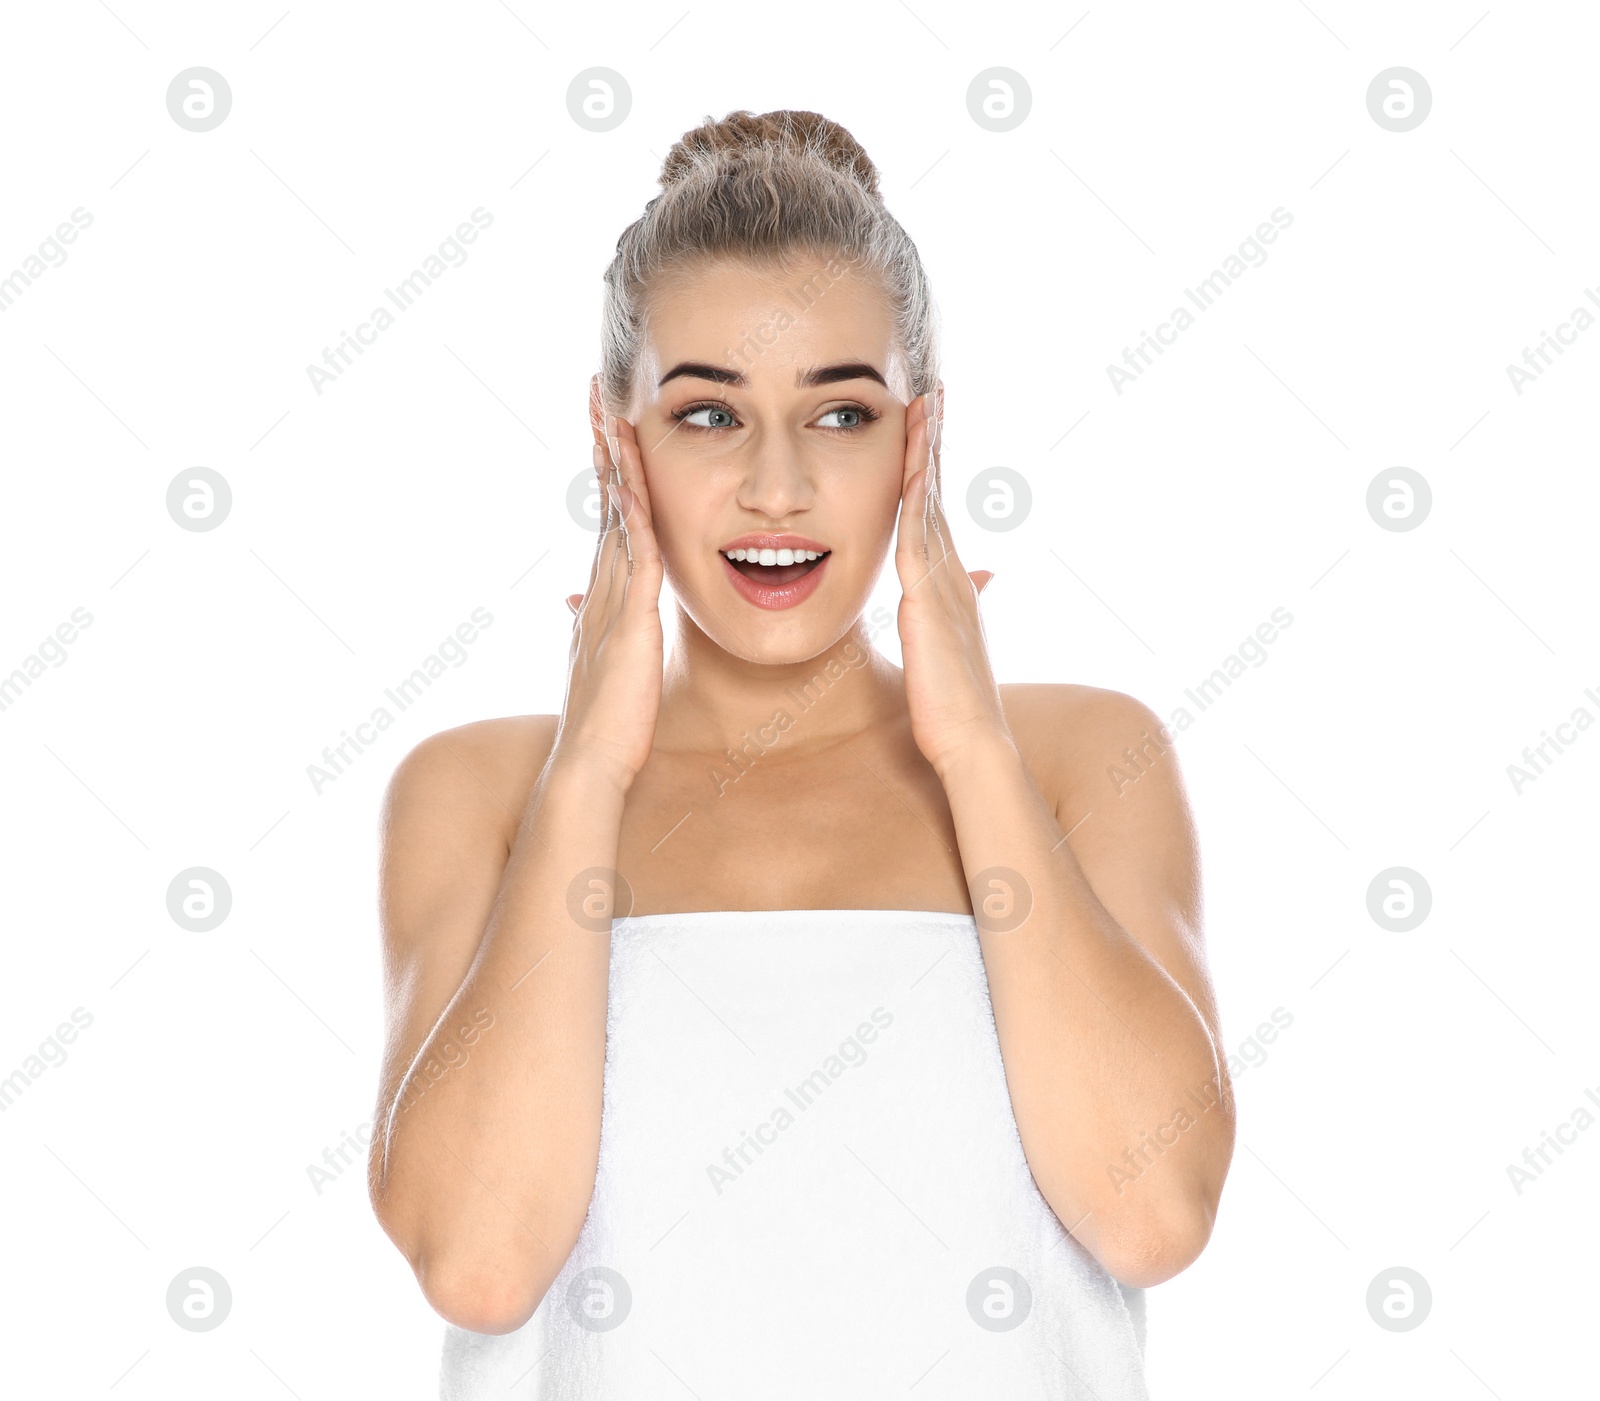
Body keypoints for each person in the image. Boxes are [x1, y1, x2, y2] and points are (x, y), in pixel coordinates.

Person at [368, 109, 1234, 1399]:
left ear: (916, 444)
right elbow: (484, 1264)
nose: (777, 487)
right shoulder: (484, 793)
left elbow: (1153, 1212)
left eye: (840, 415)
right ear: (619, 442)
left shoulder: (1075, 757)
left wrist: (973, 753)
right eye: (709, 415)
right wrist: (592, 774)